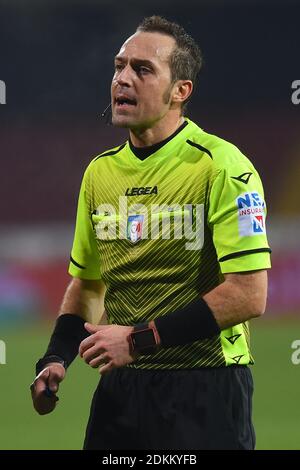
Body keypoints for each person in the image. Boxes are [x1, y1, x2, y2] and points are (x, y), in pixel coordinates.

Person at [30, 15, 271, 450]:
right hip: (120, 394)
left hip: (206, 388)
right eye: (119, 66)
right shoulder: (99, 173)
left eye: (142, 69)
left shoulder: (221, 166)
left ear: (181, 91)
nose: (123, 79)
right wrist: (55, 358)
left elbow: (249, 293)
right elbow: (87, 283)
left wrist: (139, 340)